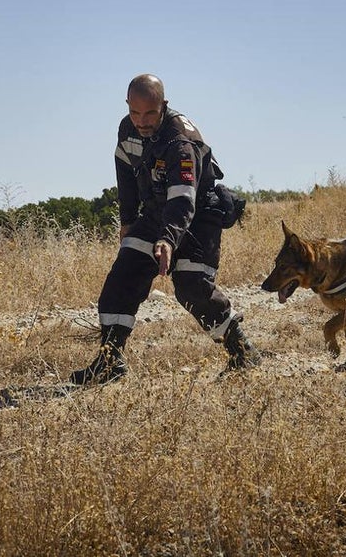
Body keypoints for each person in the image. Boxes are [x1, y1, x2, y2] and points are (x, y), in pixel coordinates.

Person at [71, 74, 260, 385]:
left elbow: (183, 199)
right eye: (135, 112)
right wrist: (128, 222)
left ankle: (242, 350)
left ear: (164, 106)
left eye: (149, 113)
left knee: (191, 288)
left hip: (198, 215)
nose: (141, 121)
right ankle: (110, 362)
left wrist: (168, 239)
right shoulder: (127, 128)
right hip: (156, 211)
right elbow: (126, 174)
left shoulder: (181, 142)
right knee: (123, 275)